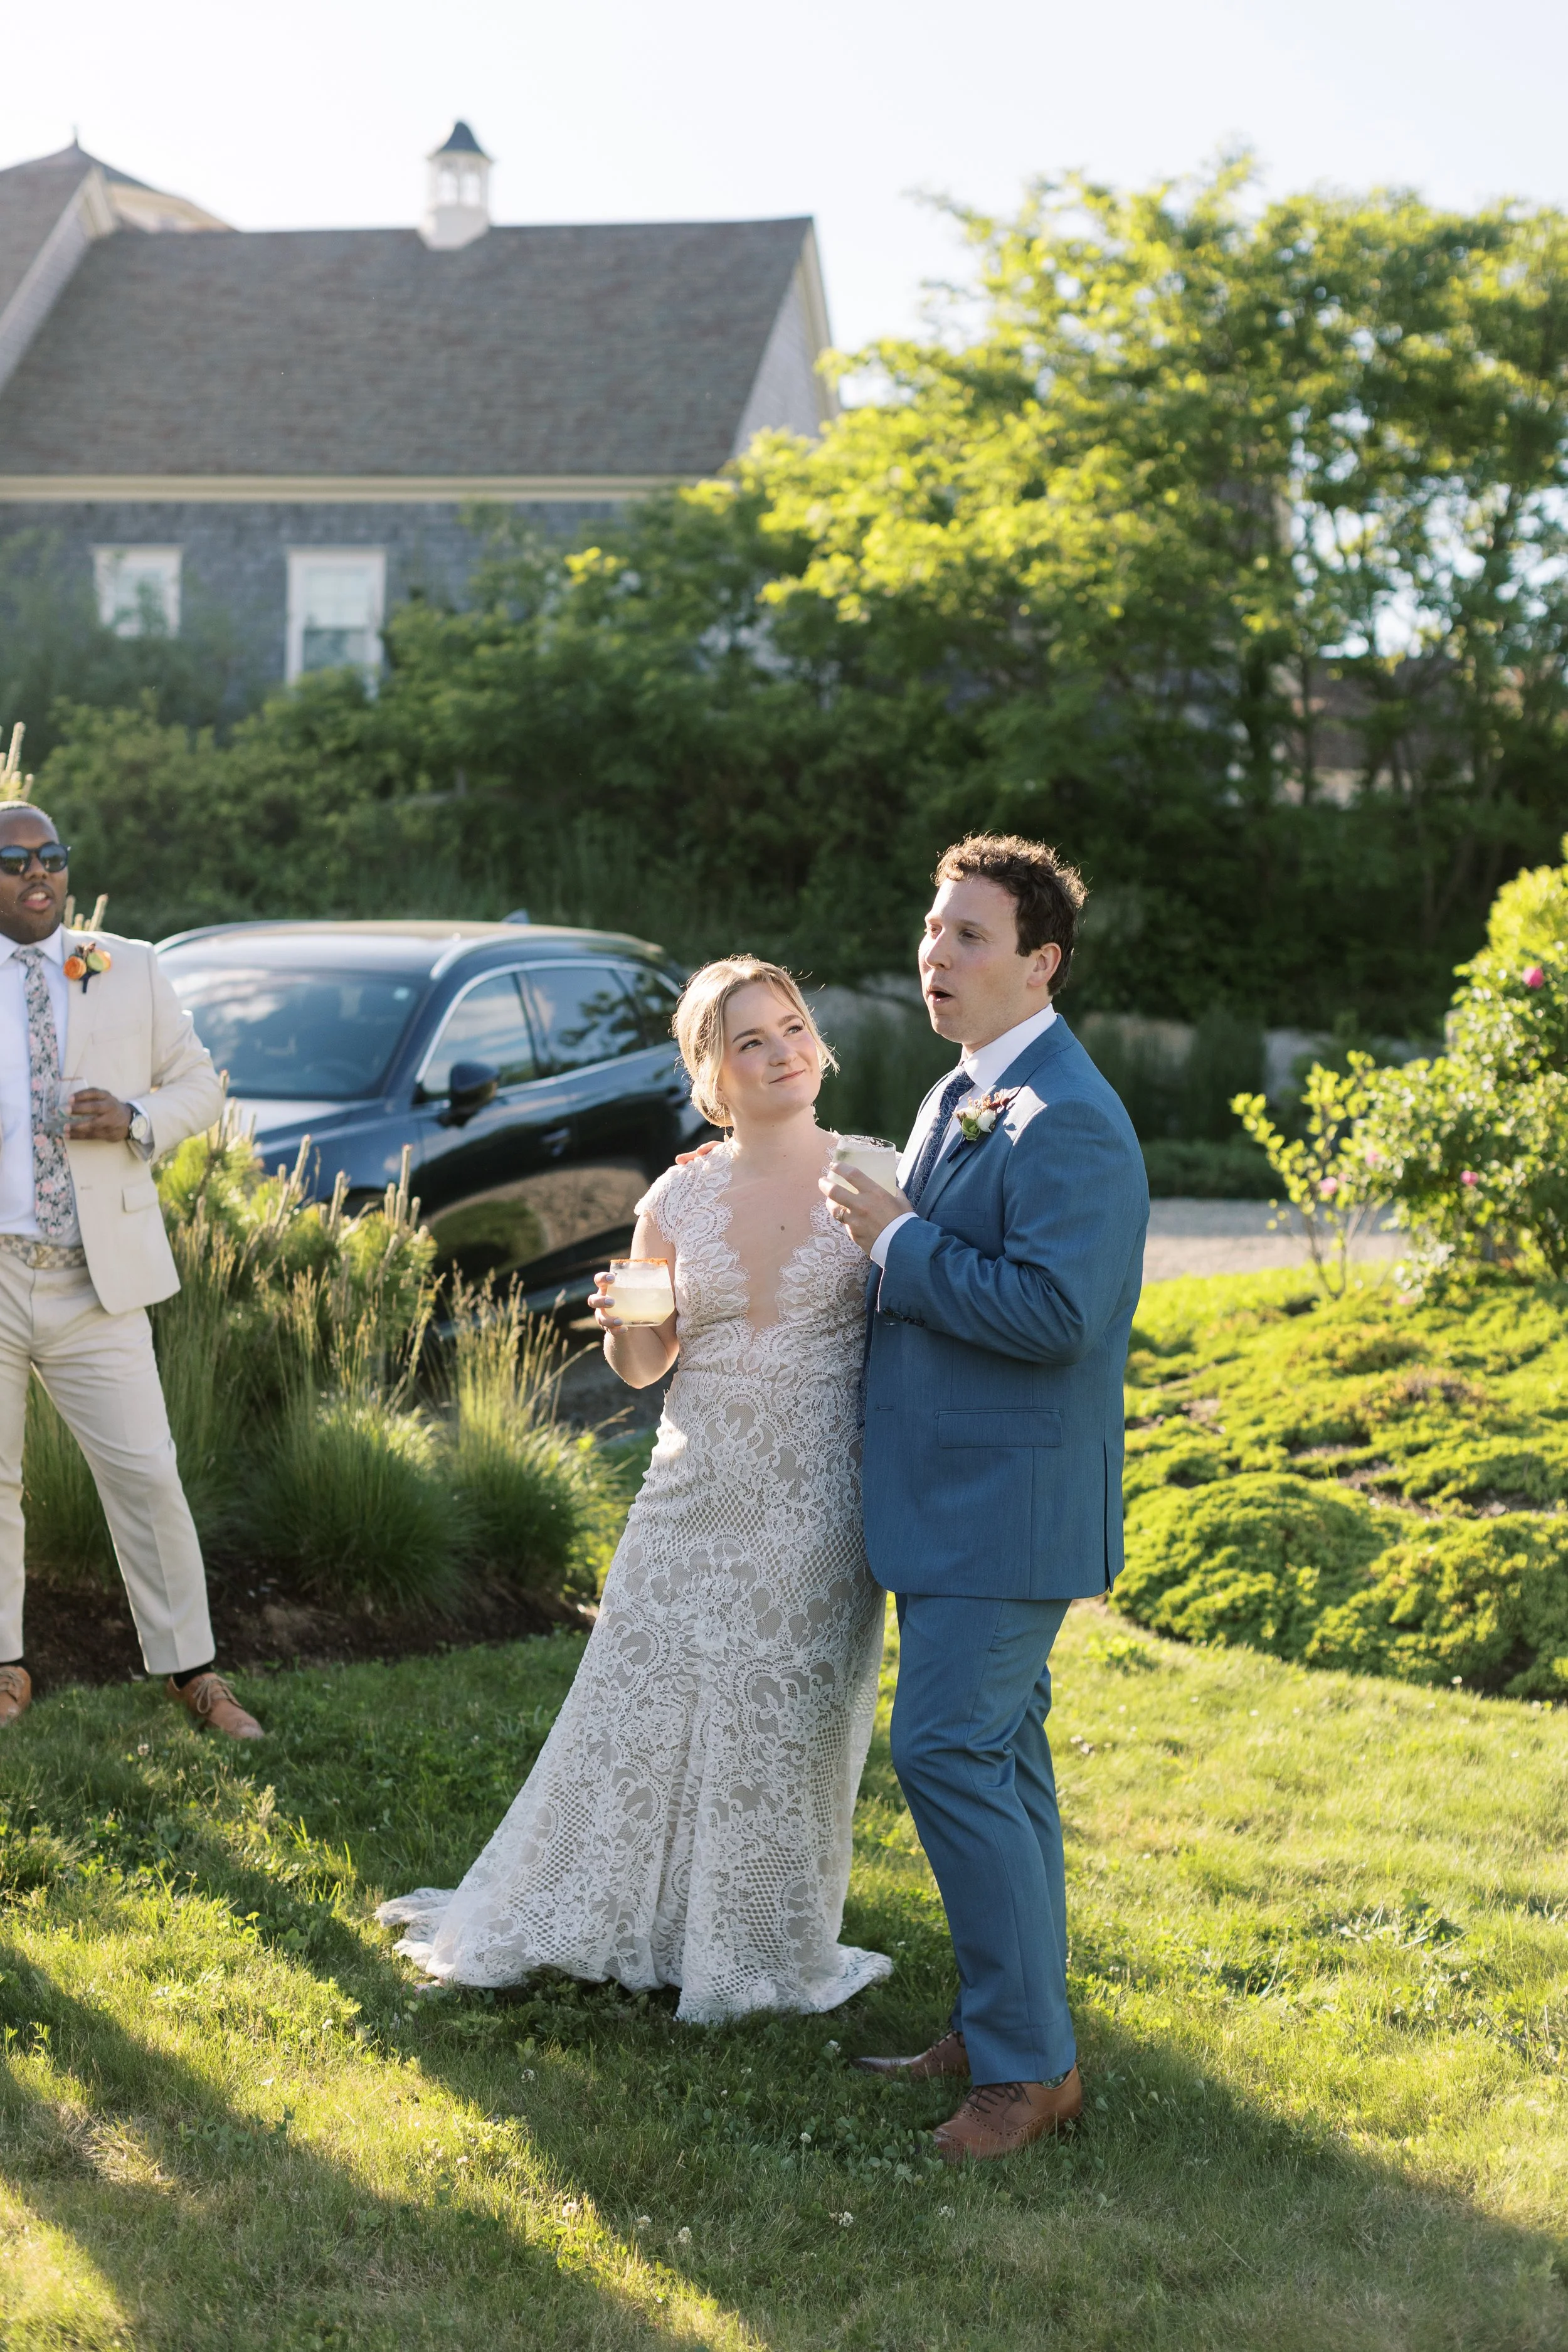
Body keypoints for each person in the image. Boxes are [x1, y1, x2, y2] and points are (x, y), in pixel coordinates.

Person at [378, 956, 889, 2019]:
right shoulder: (676, 1193)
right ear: (714, 1070)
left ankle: (754, 1943)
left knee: (780, 1727)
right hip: (686, 1497)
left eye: (792, 1027)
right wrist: (628, 1328)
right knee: (635, 1716)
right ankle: (616, 1917)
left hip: (816, 1509)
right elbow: (648, 1365)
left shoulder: (879, 1174)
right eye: (750, 1040)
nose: (782, 1051)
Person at [822, 833, 1148, 2164]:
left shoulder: (1065, 1114)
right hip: (951, 1492)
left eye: (968, 937)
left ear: (1040, 962)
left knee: (945, 1752)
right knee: (998, 1763)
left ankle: (1026, 2075)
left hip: (1004, 1512)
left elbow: (1060, 1315)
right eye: (931, 926)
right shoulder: (968, 1087)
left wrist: (898, 1240)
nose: (934, 955)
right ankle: (1002, 2020)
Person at [0, 799, 262, 1740]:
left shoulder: (129, 965)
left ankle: (194, 1671)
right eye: (13, 858)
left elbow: (201, 1085)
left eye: (52, 855)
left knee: (148, 1472)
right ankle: (3, 1666)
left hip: (94, 1278)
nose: (38, 871)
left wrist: (138, 1118)